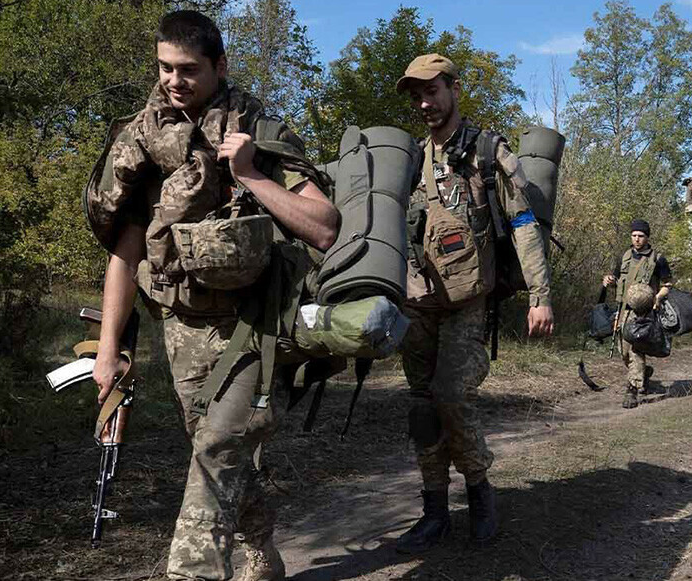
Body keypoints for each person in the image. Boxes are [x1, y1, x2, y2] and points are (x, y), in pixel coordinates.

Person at [87, 11, 339, 580]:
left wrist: (250, 174)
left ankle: (190, 573)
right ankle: (261, 551)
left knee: (217, 451)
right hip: (181, 327)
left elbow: (324, 224)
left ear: (220, 66)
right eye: (164, 68)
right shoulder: (144, 138)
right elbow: (127, 253)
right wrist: (109, 350)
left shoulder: (260, 129)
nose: (175, 81)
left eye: (189, 69)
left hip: (253, 327)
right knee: (220, 452)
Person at [394, 53, 555, 553]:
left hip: (467, 301)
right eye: (417, 95)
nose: (425, 102)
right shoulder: (411, 158)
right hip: (419, 301)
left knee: (452, 396)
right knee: (422, 408)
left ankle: (481, 495)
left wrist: (540, 296)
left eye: (433, 91)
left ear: (454, 89)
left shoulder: (486, 151)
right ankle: (434, 511)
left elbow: (525, 225)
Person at [602, 219, 672, 408]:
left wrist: (657, 298)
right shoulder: (624, 256)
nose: (637, 239)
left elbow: (667, 285)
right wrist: (609, 281)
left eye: (641, 236)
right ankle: (643, 372)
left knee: (636, 350)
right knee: (624, 352)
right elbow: (617, 280)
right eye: (634, 235)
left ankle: (632, 390)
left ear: (647, 237)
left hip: (644, 313)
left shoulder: (658, 259)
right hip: (623, 310)